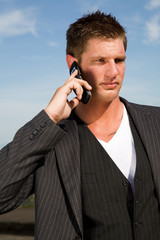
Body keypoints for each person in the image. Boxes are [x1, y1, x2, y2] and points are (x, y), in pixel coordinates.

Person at [0, 10, 160, 240]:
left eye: (119, 60)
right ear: (73, 65)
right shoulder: (52, 140)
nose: (113, 72)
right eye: (100, 61)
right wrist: (50, 118)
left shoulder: (156, 123)